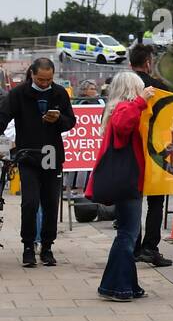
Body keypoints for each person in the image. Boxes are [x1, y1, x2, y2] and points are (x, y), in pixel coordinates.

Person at [0, 58, 74, 267]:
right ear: (32, 74)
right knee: (30, 202)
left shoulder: (59, 92)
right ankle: (28, 246)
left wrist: (58, 120)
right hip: (27, 155)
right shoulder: (18, 94)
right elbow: (3, 118)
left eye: (49, 79)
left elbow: (71, 121)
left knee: (51, 203)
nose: (44, 83)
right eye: (41, 79)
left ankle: (47, 246)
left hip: (52, 154)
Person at [88, 72, 154, 300]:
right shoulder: (126, 108)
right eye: (140, 88)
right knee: (127, 234)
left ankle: (124, 285)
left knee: (128, 234)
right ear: (132, 89)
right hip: (128, 181)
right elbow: (124, 126)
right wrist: (141, 101)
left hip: (126, 179)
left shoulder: (119, 107)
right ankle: (119, 287)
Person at [128, 45, 173, 268]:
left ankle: (133, 246)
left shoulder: (124, 85)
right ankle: (150, 247)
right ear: (148, 62)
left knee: (133, 200)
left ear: (130, 63)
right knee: (156, 201)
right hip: (155, 151)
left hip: (130, 150)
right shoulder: (157, 87)